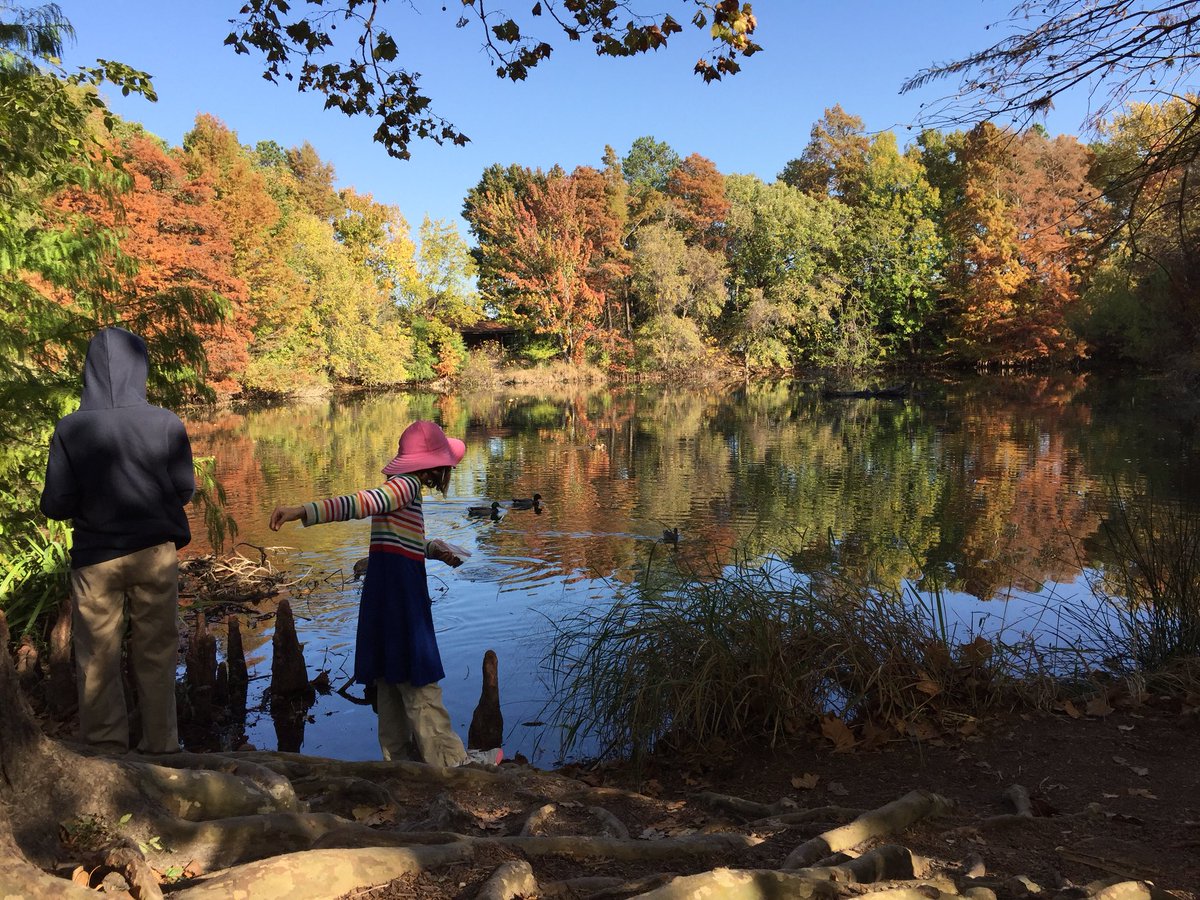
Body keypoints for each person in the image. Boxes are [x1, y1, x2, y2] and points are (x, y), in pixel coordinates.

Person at [269, 419, 480, 766]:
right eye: (446, 462)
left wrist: (430, 548)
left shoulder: (404, 491)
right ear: (434, 465)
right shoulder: (404, 488)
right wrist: (303, 511)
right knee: (419, 682)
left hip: (383, 599)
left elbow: (399, 539)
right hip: (402, 600)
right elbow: (362, 502)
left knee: (390, 680)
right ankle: (453, 768)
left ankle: (399, 765)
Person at [40, 327, 194, 754]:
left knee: (96, 659)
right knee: (158, 653)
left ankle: (106, 751)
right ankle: (162, 747)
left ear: (88, 371)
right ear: (140, 368)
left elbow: (55, 504)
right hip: (155, 554)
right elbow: (184, 489)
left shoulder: (70, 428)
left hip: (95, 561)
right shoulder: (165, 422)